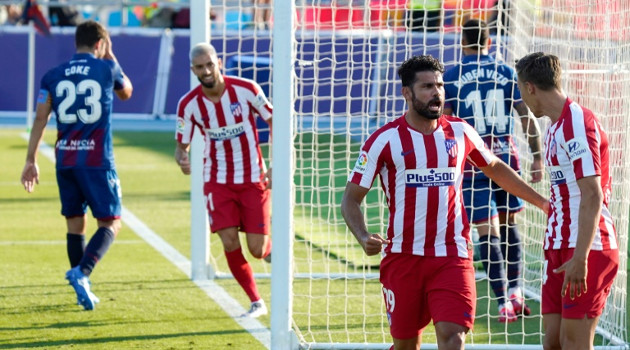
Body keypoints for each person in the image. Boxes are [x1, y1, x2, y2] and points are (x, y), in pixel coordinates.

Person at [341, 54, 548, 350]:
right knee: (406, 345)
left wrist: (542, 202)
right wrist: (362, 236)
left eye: (439, 85)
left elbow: (496, 170)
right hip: (403, 259)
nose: (436, 92)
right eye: (426, 86)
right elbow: (350, 199)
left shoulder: (461, 131)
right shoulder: (384, 140)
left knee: (453, 337)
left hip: (452, 257)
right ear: (407, 93)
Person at [20, 20, 133, 311]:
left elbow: (40, 119)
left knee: (75, 224)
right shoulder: (107, 69)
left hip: (65, 160)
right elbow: (127, 92)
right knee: (111, 222)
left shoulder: (52, 76)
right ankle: (82, 274)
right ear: (100, 44)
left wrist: (31, 159)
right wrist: (112, 57)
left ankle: (81, 288)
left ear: (76, 42)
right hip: (97, 160)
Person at [515, 52, 619, 350]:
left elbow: (592, 193)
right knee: (554, 344)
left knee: (574, 344)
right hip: (558, 243)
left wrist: (581, 257)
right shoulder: (556, 126)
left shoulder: (576, 122)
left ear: (530, 87)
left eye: (520, 88)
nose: (521, 96)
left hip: (587, 247)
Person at [443, 18, 543, 322]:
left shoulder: (452, 75)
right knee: (509, 224)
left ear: (463, 42)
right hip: (507, 161)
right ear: (489, 42)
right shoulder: (506, 72)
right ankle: (515, 289)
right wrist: (537, 157)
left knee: (487, 232)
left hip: (474, 165)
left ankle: (503, 302)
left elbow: (445, 124)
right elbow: (525, 116)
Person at [174, 43, 273, 318]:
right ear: (192, 69)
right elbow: (181, 146)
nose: (206, 71)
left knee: (257, 249)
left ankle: (268, 247)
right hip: (216, 180)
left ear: (218, 62)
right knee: (228, 240)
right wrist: (182, 158)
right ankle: (256, 302)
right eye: (199, 67)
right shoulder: (188, 104)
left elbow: (273, 119)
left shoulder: (247, 88)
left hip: (253, 176)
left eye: (209, 64)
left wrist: (275, 163)